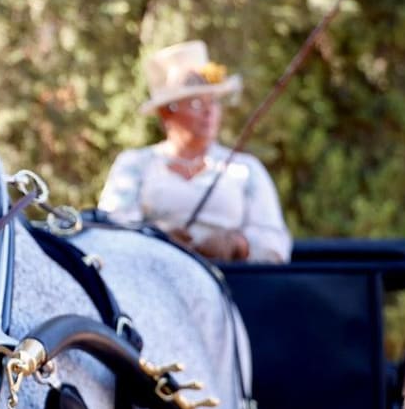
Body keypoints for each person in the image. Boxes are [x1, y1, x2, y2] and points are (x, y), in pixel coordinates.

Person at [98, 40, 291, 262]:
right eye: (196, 104)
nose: (209, 112)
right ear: (167, 113)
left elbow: (275, 243)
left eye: (214, 102)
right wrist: (156, 238)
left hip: (233, 283)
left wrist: (239, 245)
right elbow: (112, 230)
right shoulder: (134, 165)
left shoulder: (245, 169)